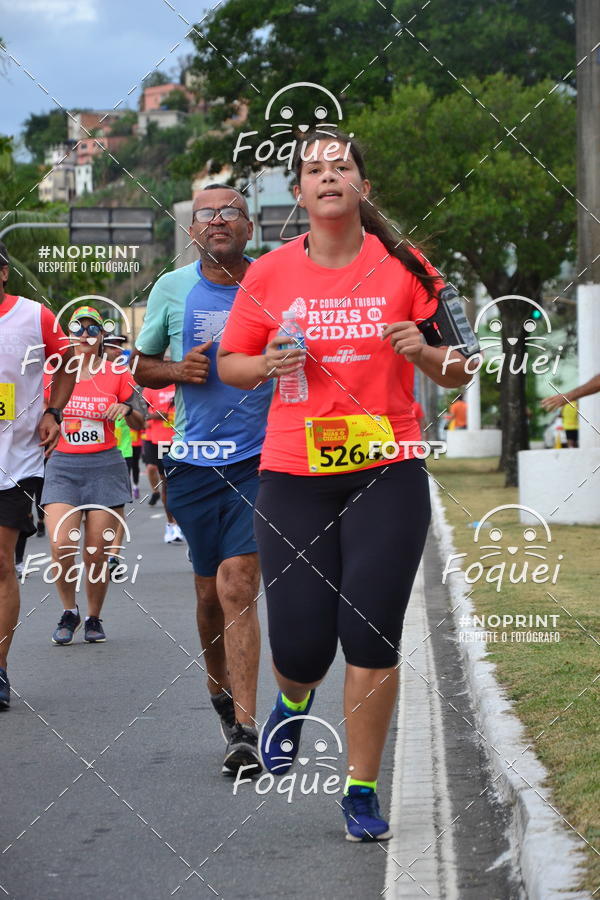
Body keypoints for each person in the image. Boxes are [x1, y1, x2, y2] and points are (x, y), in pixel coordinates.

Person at [217, 130, 470, 841]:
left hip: (386, 472)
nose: (329, 177)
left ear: (363, 185)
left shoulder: (405, 265)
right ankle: (292, 705)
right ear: (298, 194)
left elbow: (462, 368)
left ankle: (360, 790)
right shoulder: (268, 274)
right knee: (301, 647)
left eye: (342, 167)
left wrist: (427, 352)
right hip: (295, 476)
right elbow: (228, 363)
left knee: (369, 633)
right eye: (314, 170)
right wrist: (265, 362)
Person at [132, 183, 272, 776]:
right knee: (208, 594)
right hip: (192, 461)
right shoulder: (170, 288)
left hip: (265, 456)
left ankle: (244, 728)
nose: (217, 221)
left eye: (230, 212)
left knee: (239, 581)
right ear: (193, 230)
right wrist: (176, 369)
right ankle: (219, 691)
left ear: (248, 226)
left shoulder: (273, 280)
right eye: (206, 214)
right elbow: (139, 365)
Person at [0, 241, 75, 708]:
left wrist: (54, 409)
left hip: (15, 460)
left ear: (4, 272)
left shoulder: (34, 316)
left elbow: (66, 361)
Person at [42, 306, 138, 645]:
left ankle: (94, 617)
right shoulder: (52, 372)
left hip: (104, 466)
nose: (84, 335)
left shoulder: (117, 372)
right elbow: (37, 415)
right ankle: (69, 610)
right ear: (69, 335)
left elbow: (140, 414)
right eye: (77, 328)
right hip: (63, 467)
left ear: (101, 336)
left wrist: (127, 408)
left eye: (92, 329)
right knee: (60, 544)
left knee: (96, 552)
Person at [142, 385, 184, 543]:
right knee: (167, 482)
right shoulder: (150, 388)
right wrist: (155, 415)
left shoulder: (181, 383)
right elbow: (141, 414)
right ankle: (171, 524)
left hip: (182, 439)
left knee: (183, 483)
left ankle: (184, 524)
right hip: (161, 442)